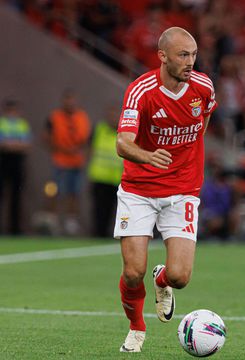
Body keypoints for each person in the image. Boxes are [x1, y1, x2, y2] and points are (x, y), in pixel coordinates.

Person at [115, 27, 217, 353]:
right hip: (139, 190)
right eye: (182, 56)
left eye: (193, 55)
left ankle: (163, 281)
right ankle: (136, 328)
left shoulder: (202, 87)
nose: (190, 62)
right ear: (162, 57)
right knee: (133, 272)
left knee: (181, 277)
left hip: (183, 190)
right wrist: (148, 157)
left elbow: (204, 119)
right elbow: (122, 142)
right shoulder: (141, 91)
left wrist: (187, 160)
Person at [43, 89, 91, 235]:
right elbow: (46, 136)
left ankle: (71, 222)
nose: (69, 103)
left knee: (74, 192)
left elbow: (87, 139)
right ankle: (52, 219)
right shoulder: (54, 117)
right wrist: (58, 149)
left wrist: (78, 151)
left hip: (76, 162)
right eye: (67, 100)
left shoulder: (82, 117)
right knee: (54, 190)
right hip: (59, 161)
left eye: (72, 100)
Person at [87, 104, 123, 237]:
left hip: (117, 178)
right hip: (100, 177)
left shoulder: (124, 132)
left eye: (115, 115)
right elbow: (89, 150)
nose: (113, 118)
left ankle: (112, 234)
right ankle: (98, 234)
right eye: (111, 114)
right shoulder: (99, 129)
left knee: (116, 210)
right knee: (99, 209)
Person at [0, 99, 31, 234]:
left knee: (16, 196)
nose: (12, 113)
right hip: (2, 162)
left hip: (17, 163)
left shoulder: (22, 125)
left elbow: (27, 145)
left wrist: (9, 144)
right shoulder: (2, 124)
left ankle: (15, 229)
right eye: (10, 110)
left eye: (14, 110)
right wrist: (15, 145)